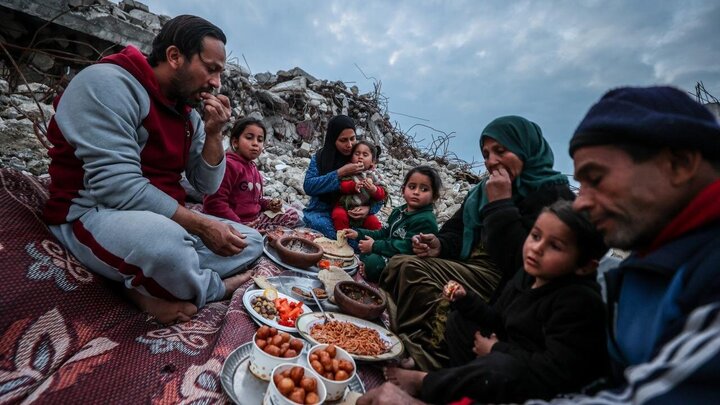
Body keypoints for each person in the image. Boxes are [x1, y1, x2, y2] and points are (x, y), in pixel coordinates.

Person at [42, 15, 264, 325]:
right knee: (167, 249)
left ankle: (150, 280)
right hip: (93, 211)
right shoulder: (108, 83)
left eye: (219, 73)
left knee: (251, 241)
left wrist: (215, 134)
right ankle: (209, 287)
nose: (216, 83)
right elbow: (118, 187)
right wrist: (200, 226)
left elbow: (205, 186)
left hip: (161, 217)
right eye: (210, 69)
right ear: (175, 56)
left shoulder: (189, 117)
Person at [552, 85, 720, 403]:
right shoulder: (638, 267)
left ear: (680, 164)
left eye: (596, 178)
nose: (579, 203)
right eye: (580, 185)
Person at [380, 115, 575, 371]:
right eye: (486, 153)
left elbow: (520, 261)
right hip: (470, 262)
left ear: (526, 149)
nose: (491, 161)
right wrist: (438, 244)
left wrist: (501, 204)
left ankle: (426, 357)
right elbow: (456, 229)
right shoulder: (484, 190)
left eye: (501, 151)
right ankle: (404, 335)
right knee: (401, 263)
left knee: (417, 274)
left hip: (503, 278)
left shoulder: (554, 197)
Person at [384, 200, 609, 404]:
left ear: (585, 266)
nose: (537, 249)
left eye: (555, 246)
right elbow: (497, 318)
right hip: (506, 354)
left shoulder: (580, 301)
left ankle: (426, 382)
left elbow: (553, 372)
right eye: (536, 236)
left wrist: (496, 349)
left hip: (535, 381)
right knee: (460, 321)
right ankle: (458, 384)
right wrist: (466, 299)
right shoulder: (526, 275)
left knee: (500, 366)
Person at [345, 165, 442, 282]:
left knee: (372, 262)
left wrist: (374, 246)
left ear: (434, 196)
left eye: (424, 189)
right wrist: (358, 233)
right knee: (364, 251)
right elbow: (384, 232)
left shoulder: (425, 220)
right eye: (412, 187)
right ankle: (368, 268)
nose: (416, 192)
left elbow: (406, 247)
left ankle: (375, 274)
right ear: (403, 189)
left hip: (404, 261)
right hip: (389, 251)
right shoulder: (399, 211)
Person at [203, 117, 301, 230]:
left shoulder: (253, 168)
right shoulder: (229, 165)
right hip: (235, 222)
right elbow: (214, 202)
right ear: (235, 142)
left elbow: (254, 200)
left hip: (253, 218)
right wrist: (238, 225)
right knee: (290, 217)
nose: (255, 144)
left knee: (291, 214)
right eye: (249, 138)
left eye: (260, 140)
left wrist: (268, 204)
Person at [303, 115, 381, 240]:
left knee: (371, 230)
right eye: (343, 140)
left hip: (354, 213)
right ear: (333, 139)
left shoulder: (360, 158)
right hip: (322, 211)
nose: (350, 145)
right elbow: (309, 186)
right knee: (325, 228)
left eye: (352, 138)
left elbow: (379, 192)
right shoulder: (320, 158)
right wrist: (339, 173)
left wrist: (368, 209)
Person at [332, 140, 387, 231]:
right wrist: (353, 186)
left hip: (363, 209)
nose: (360, 157)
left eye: (365, 155)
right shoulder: (348, 169)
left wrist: (373, 189)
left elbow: (382, 194)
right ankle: (343, 238)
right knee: (338, 215)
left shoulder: (374, 175)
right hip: (345, 207)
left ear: (372, 161)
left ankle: (374, 242)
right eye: (357, 154)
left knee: (374, 223)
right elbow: (341, 185)